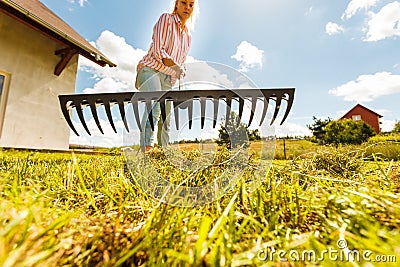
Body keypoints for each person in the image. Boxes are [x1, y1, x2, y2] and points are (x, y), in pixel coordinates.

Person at [135, 0, 198, 152]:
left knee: (166, 117)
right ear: (176, 4)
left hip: (167, 78)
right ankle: (146, 152)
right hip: (150, 69)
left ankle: (165, 153)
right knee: (154, 108)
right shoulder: (166, 19)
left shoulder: (188, 36)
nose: (187, 7)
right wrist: (175, 66)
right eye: (183, 2)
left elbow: (180, 61)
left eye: (191, 4)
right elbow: (158, 50)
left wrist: (181, 69)